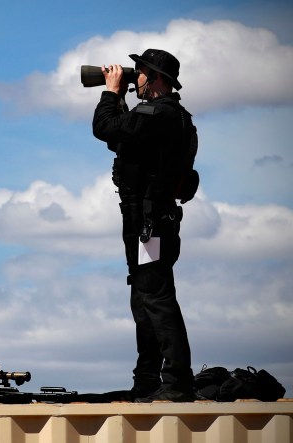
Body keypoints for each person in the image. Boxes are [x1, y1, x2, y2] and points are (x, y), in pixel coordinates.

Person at [92, 49, 196, 402]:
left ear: (155, 78)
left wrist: (110, 92)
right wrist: (121, 99)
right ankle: (149, 380)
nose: (133, 78)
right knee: (144, 299)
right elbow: (119, 138)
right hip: (150, 223)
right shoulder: (173, 117)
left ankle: (176, 382)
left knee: (157, 298)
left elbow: (103, 127)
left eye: (138, 73)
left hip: (150, 225)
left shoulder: (158, 113)